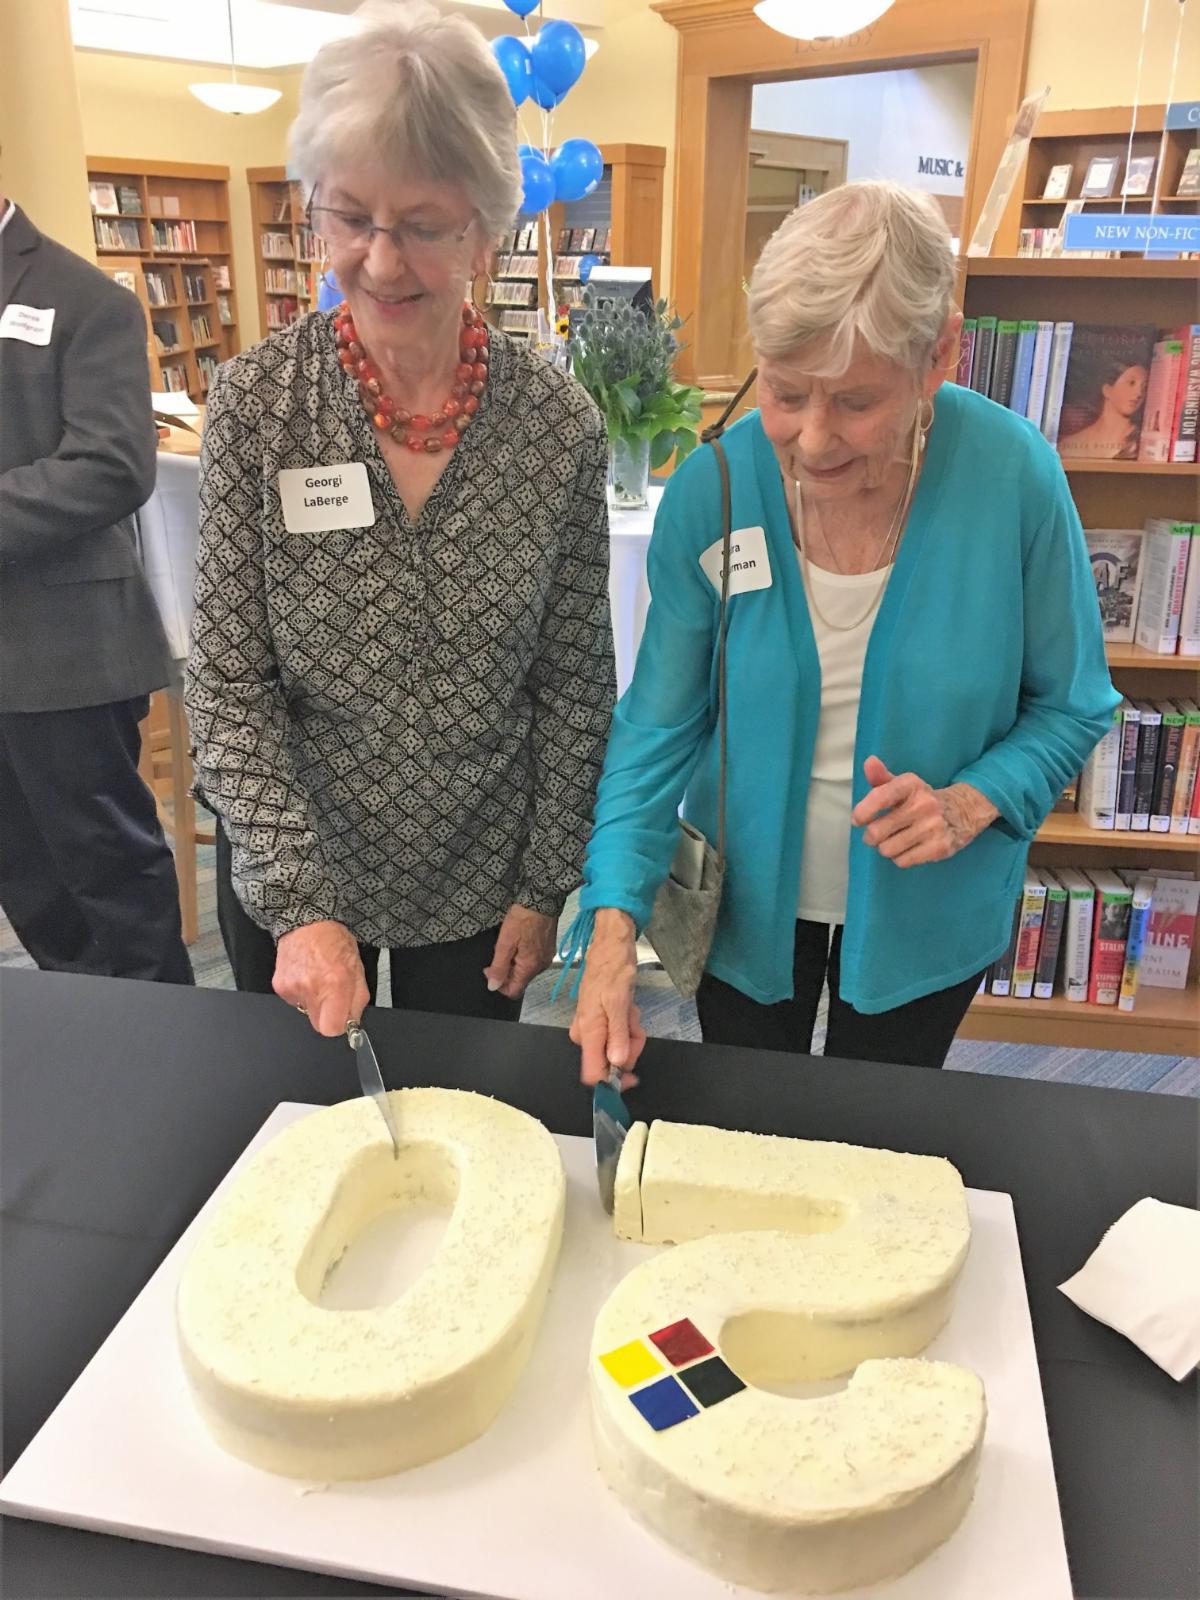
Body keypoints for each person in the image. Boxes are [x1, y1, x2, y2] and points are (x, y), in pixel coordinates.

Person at [564, 180, 1119, 1083]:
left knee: (885, 1128)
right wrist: (613, 923)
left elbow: (1073, 703)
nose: (813, 441)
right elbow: (656, 726)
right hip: (742, 911)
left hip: (929, 913)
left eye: (856, 402)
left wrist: (969, 802)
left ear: (941, 355)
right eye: (785, 394)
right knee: (748, 1120)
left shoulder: (1013, 477)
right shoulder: (716, 489)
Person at [186, 0, 614, 1038]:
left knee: (468, 1114)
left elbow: (574, 681)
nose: (380, 262)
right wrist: (299, 903)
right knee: (299, 1116)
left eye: (422, 226)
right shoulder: (259, 406)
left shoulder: (555, 425)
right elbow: (228, 681)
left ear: (486, 226)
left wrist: (546, 880)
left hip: (480, 878)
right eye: (348, 217)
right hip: (297, 867)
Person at [0, 196, 193, 985]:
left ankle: (164, 1046)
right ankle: (85, 1038)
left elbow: (112, 465)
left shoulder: (82, 299)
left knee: (114, 885)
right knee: (28, 887)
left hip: (65, 650)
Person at [1057, 356, 1149, 460]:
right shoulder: (1070, 444)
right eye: (1131, 383)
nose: (1139, 393)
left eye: (1144, 387)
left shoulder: (1143, 443)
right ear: (1107, 390)